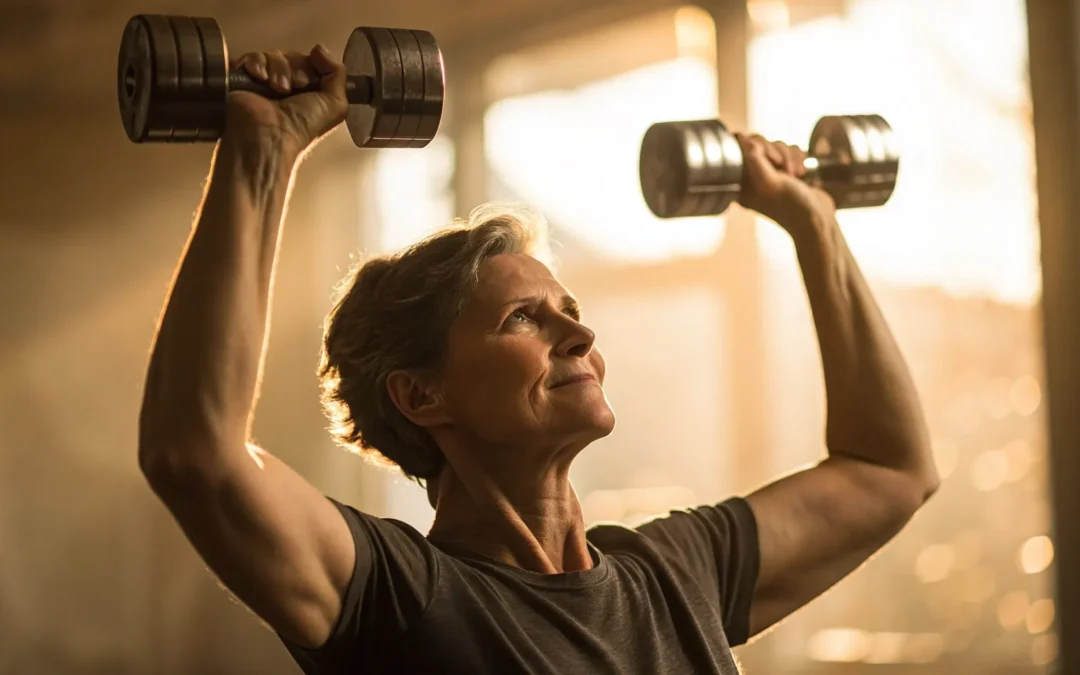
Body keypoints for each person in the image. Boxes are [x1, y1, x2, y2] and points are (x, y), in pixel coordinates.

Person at [137, 45, 939, 675]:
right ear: (420, 394)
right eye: (524, 318)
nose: (581, 338)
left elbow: (890, 468)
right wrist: (263, 154)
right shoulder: (403, 595)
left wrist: (813, 223)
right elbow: (196, 454)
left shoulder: (672, 574)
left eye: (573, 313)